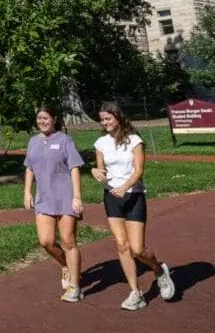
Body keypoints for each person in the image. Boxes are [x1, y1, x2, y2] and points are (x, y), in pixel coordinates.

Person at [92, 102, 176, 310]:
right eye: (102, 119)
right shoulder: (100, 143)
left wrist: (125, 187)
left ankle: (158, 270)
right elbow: (101, 170)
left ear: (118, 117)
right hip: (112, 198)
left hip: (134, 197)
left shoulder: (134, 140)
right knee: (122, 245)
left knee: (138, 249)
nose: (105, 123)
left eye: (108, 118)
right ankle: (135, 292)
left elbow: (139, 170)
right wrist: (96, 173)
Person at [23, 104, 86, 302]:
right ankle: (65, 266)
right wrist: (27, 192)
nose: (42, 121)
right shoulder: (33, 141)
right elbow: (29, 167)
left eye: (46, 118)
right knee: (46, 241)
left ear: (54, 119)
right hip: (44, 199)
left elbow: (75, 167)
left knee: (69, 241)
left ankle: (75, 287)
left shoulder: (65, 140)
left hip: (66, 197)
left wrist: (77, 196)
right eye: (39, 118)